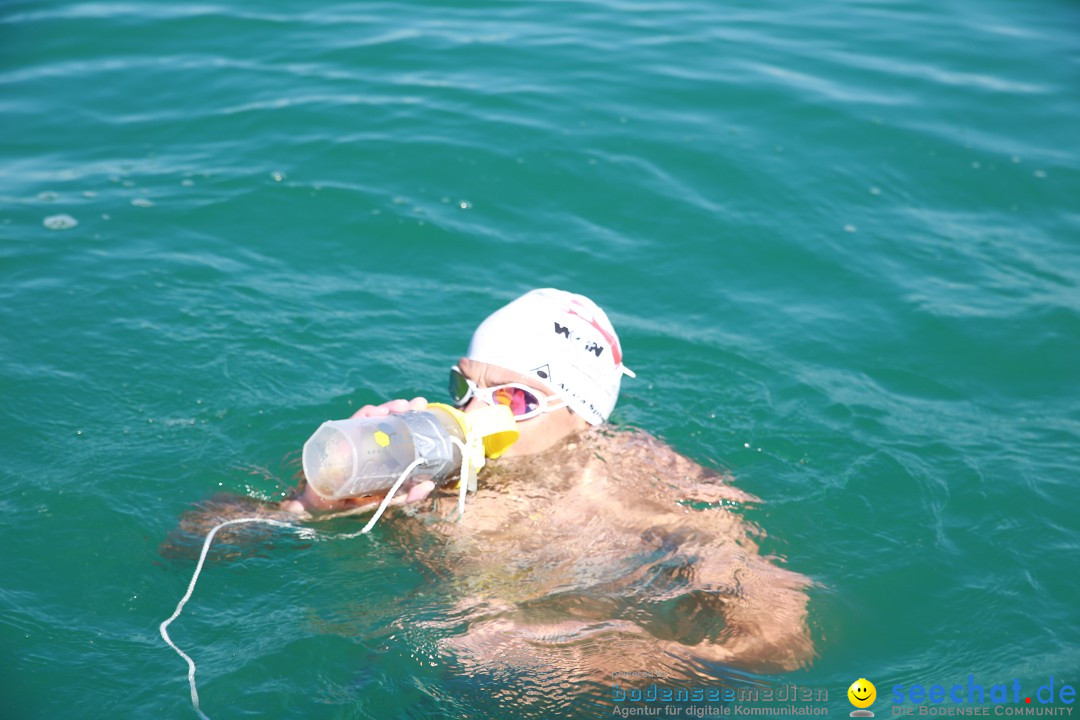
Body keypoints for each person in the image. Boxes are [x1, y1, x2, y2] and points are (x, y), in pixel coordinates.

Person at [280, 288, 815, 678]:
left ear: (584, 417)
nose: (472, 408)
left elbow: (780, 642)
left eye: (515, 399)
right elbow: (204, 538)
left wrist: (604, 660)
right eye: (463, 384)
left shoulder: (648, 486)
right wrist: (313, 505)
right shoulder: (422, 471)